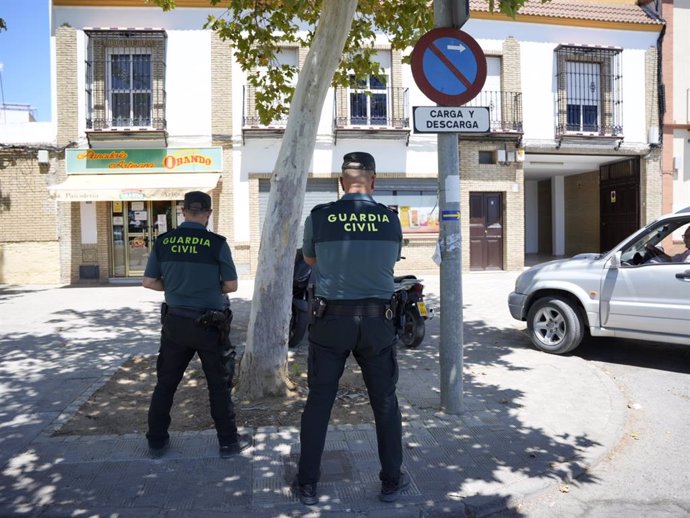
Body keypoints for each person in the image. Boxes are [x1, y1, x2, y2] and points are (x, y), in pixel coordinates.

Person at [293, 152, 408, 505]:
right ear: (373, 182)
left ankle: (308, 483)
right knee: (385, 402)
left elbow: (310, 260)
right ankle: (391, 481)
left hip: (331, 322)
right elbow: (392, 258)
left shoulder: (320, 216)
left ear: (342, 182)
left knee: (319, 402)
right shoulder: (390, 219)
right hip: (378, 323)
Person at [143, 191, 248, 458]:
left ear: (183, 210)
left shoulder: (164, 242)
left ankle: (156, 441)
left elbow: (149, 282)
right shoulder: (216, 243)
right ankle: (228, 443)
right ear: (208, 213)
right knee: (218, 385)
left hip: (175, 323)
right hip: (210, 325)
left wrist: (177, 288)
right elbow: (232, 285)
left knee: (166, 383)